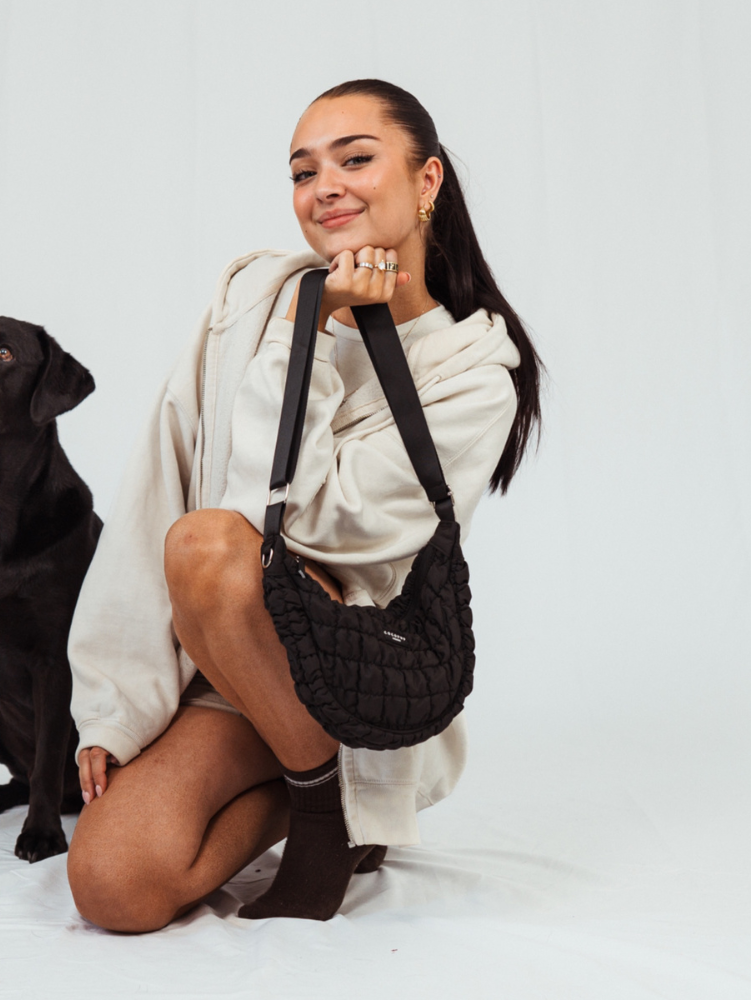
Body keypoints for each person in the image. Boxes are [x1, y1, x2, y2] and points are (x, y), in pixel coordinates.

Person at [65, 79, 542, 931]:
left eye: (355, 159)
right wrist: (113, 703)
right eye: (303, 171)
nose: (325, 187)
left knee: (211, 546)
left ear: (427, 180)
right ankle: (324, 800)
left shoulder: (473, 377)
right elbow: (156, 484)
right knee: (113, 886)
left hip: (349, 674)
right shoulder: (255, 299)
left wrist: (310, 337)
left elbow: (298, 527)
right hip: (226, 668)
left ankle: (329, 802)